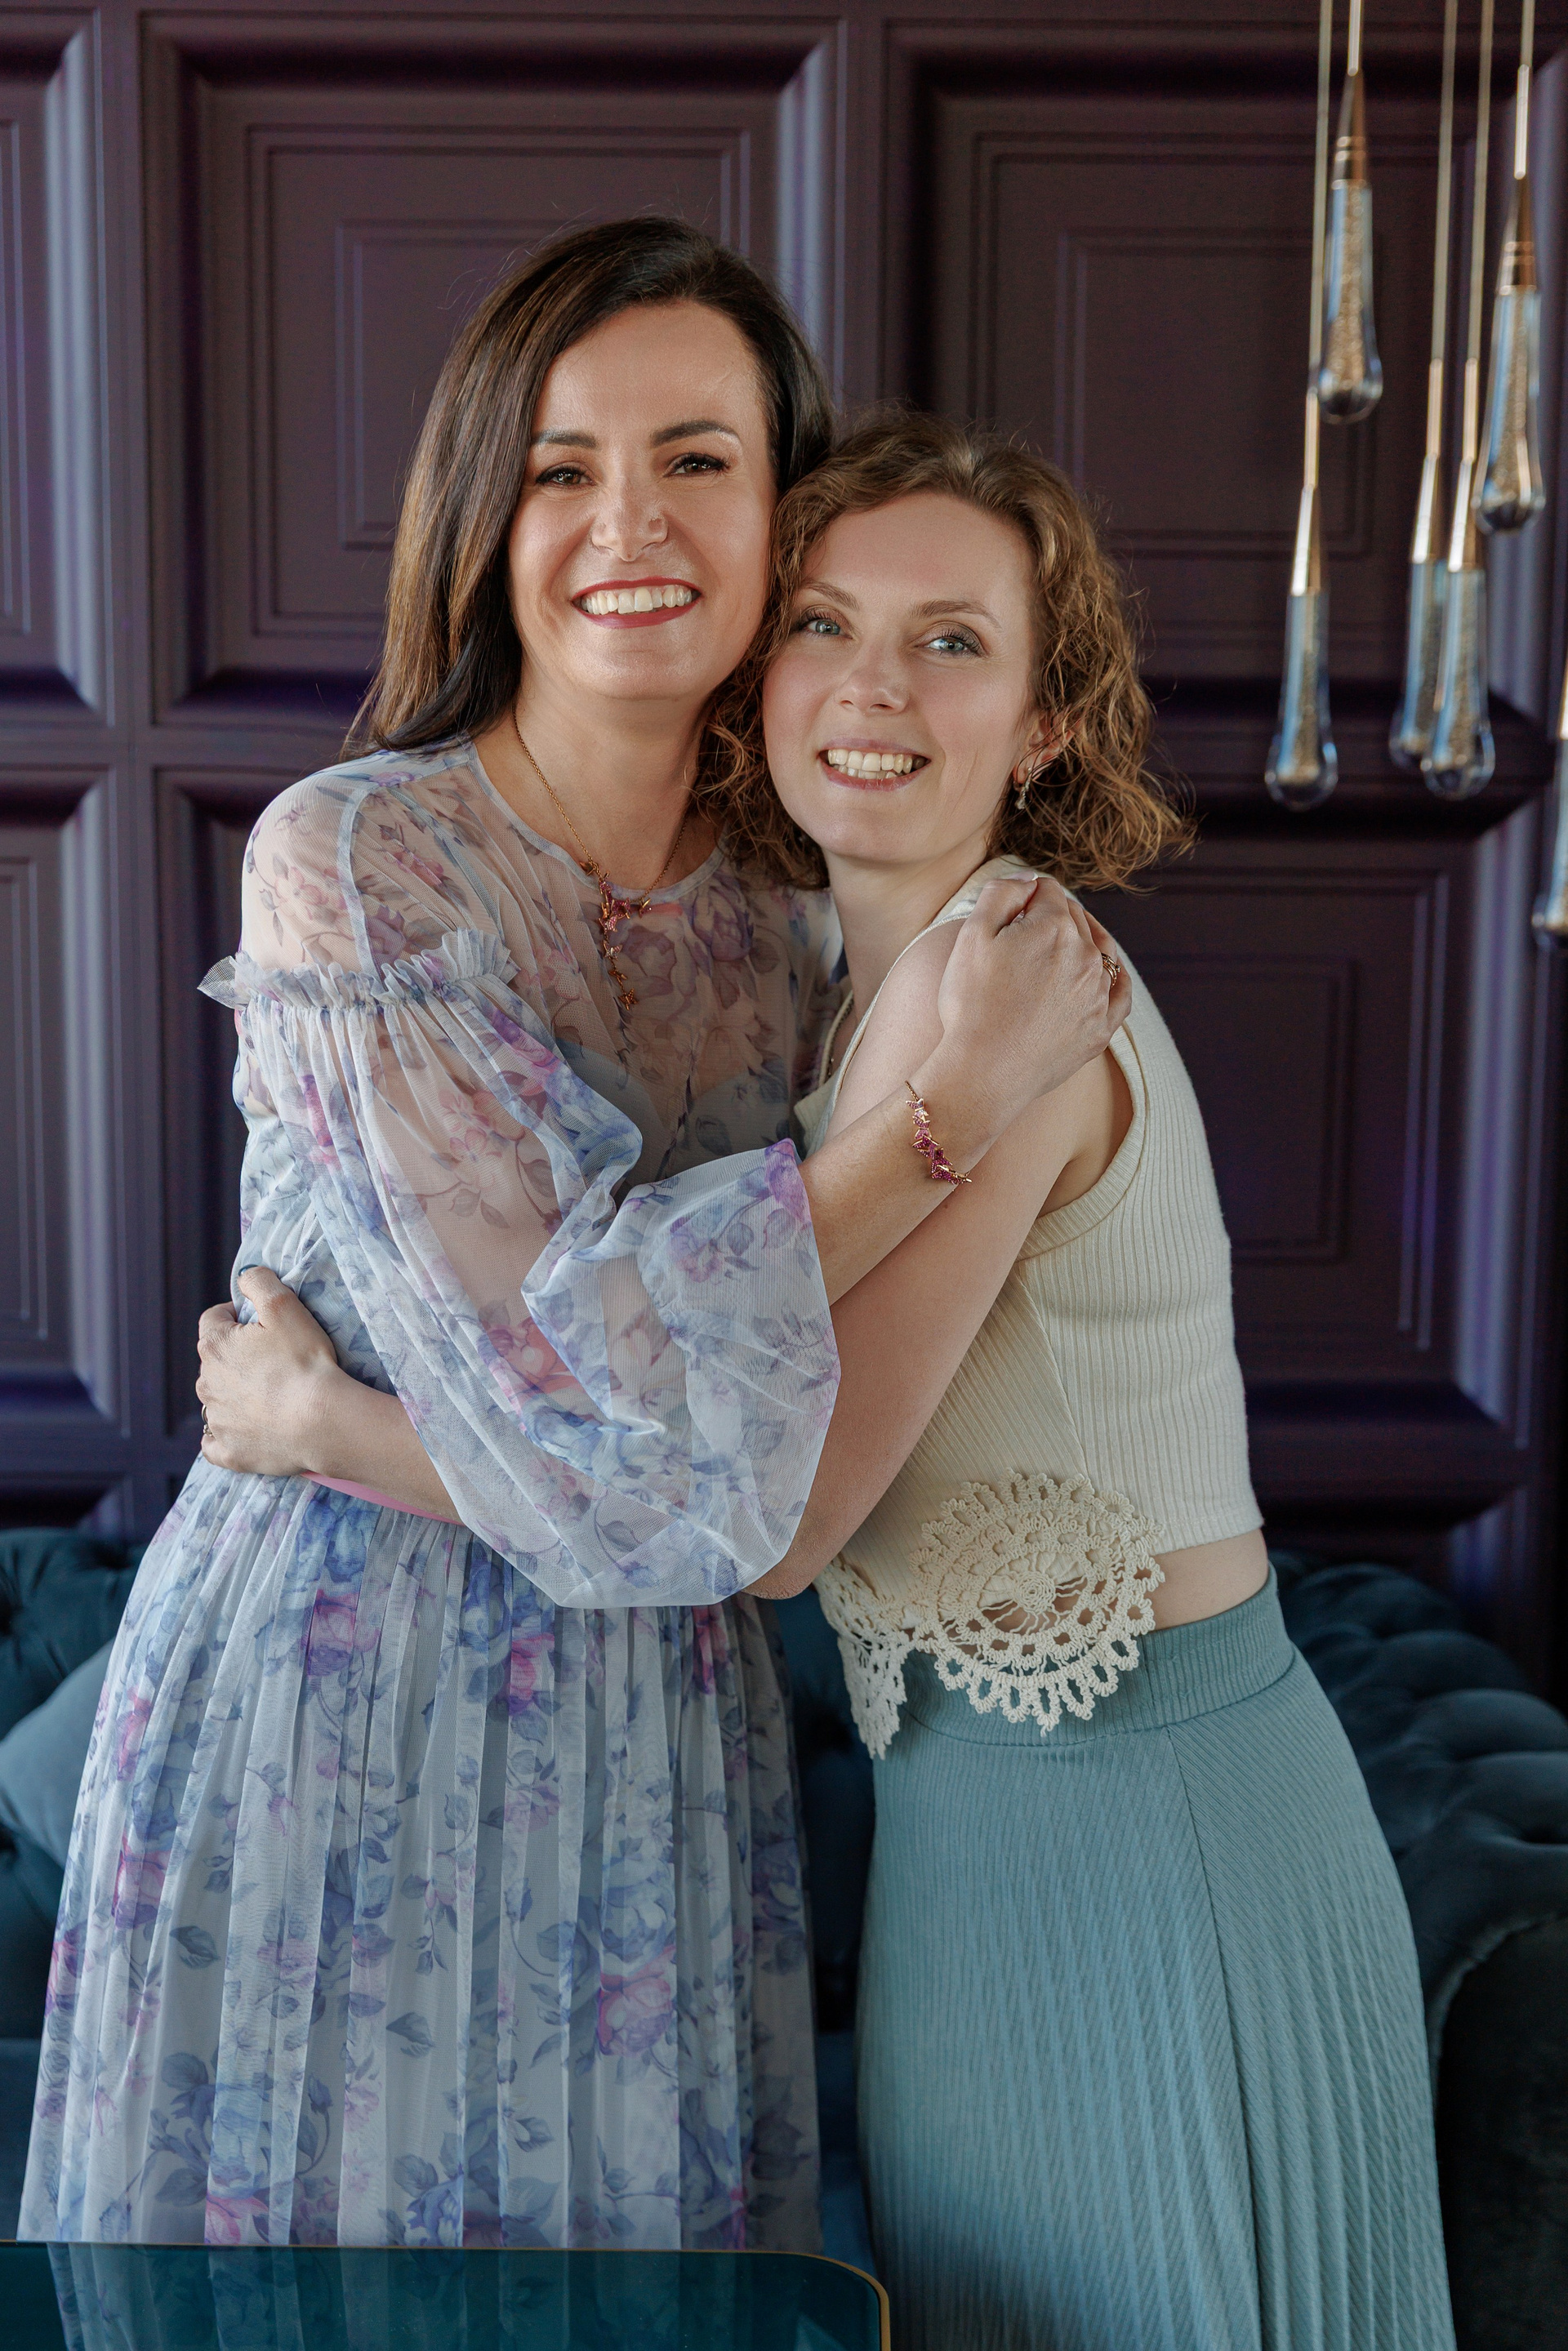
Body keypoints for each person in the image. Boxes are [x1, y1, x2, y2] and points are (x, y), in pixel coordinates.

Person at [20, 225, 1124, 2252]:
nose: (633, 524)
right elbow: (579, 1355)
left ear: (784, 514)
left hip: (655, 1731)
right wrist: (932, 1133)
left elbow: (748, 1469)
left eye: (699, 460)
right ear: (484, 517)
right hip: (329, 1702)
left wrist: (331, 1422)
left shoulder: (809, 904)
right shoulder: (358, 859)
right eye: (561, 469)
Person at [742, 414, 1456, 2349]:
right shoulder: (853, 993)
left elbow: (785, 1524)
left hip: (1152, 1824)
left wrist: (339, 1434)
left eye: (952, 640)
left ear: (1045, 724)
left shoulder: (1003, 987)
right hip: (975, 1833)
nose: (874, 684)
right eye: (823, 622)